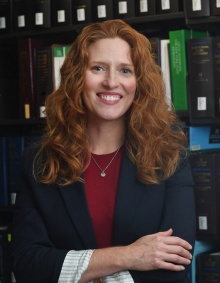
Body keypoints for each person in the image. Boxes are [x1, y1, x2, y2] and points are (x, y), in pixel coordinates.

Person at [11, 19, 196, 283]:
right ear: (77, 77)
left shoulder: (169, 157)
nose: (111, 82)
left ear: (139, 82)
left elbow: (175, 266)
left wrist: (80, 270)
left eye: (125, 71)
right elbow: (27, 265)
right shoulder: (41, 161)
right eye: (97, 68)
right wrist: (128, 256)